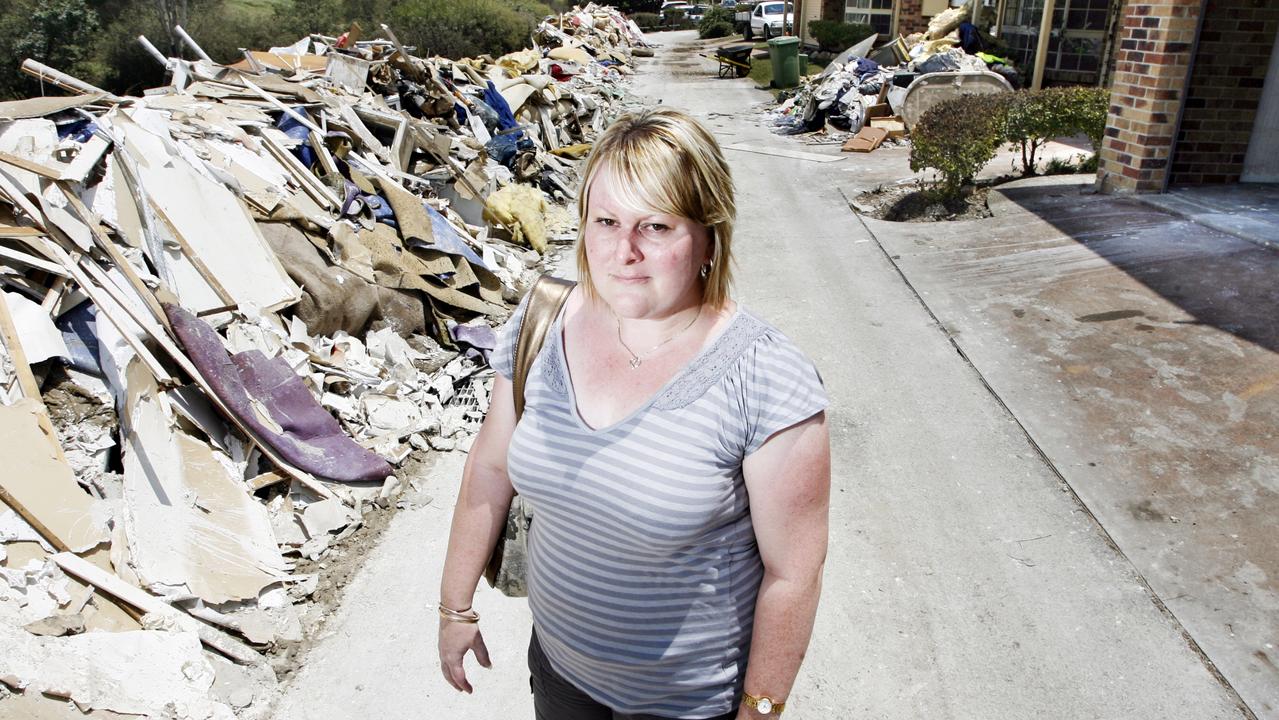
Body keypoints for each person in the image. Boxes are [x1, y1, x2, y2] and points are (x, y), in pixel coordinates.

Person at [437, 107, 831, 719]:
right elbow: (489, 469)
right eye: (606, 221)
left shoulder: (765, 378)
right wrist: (455, 607)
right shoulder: (541, 325)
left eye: (656, 226)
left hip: (686, 702)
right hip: (561, 671)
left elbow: (793, 574)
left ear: (708, 236)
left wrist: (759, 710)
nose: (624, 251)